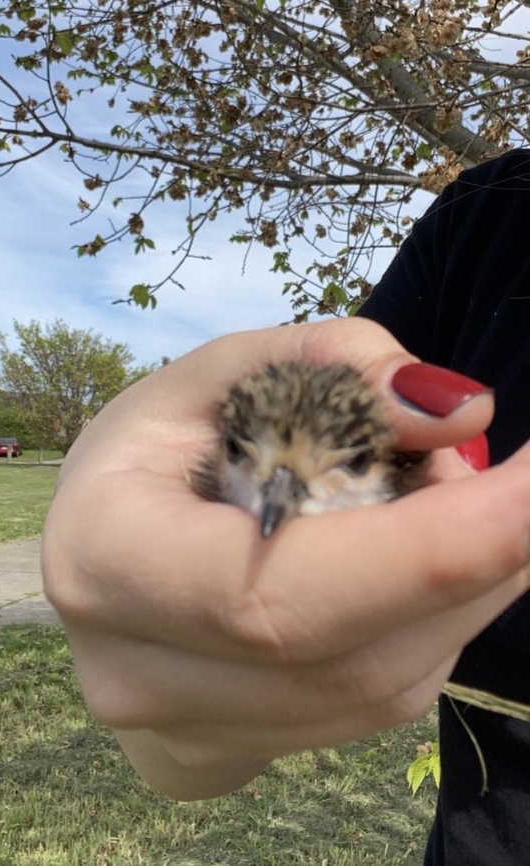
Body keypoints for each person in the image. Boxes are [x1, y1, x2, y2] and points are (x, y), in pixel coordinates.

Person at [42, 149, 530, 865]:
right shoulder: (487, 217)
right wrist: (184, 690)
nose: (282, 497)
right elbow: (182, 757)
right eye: (248, 457)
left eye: (347, 465)